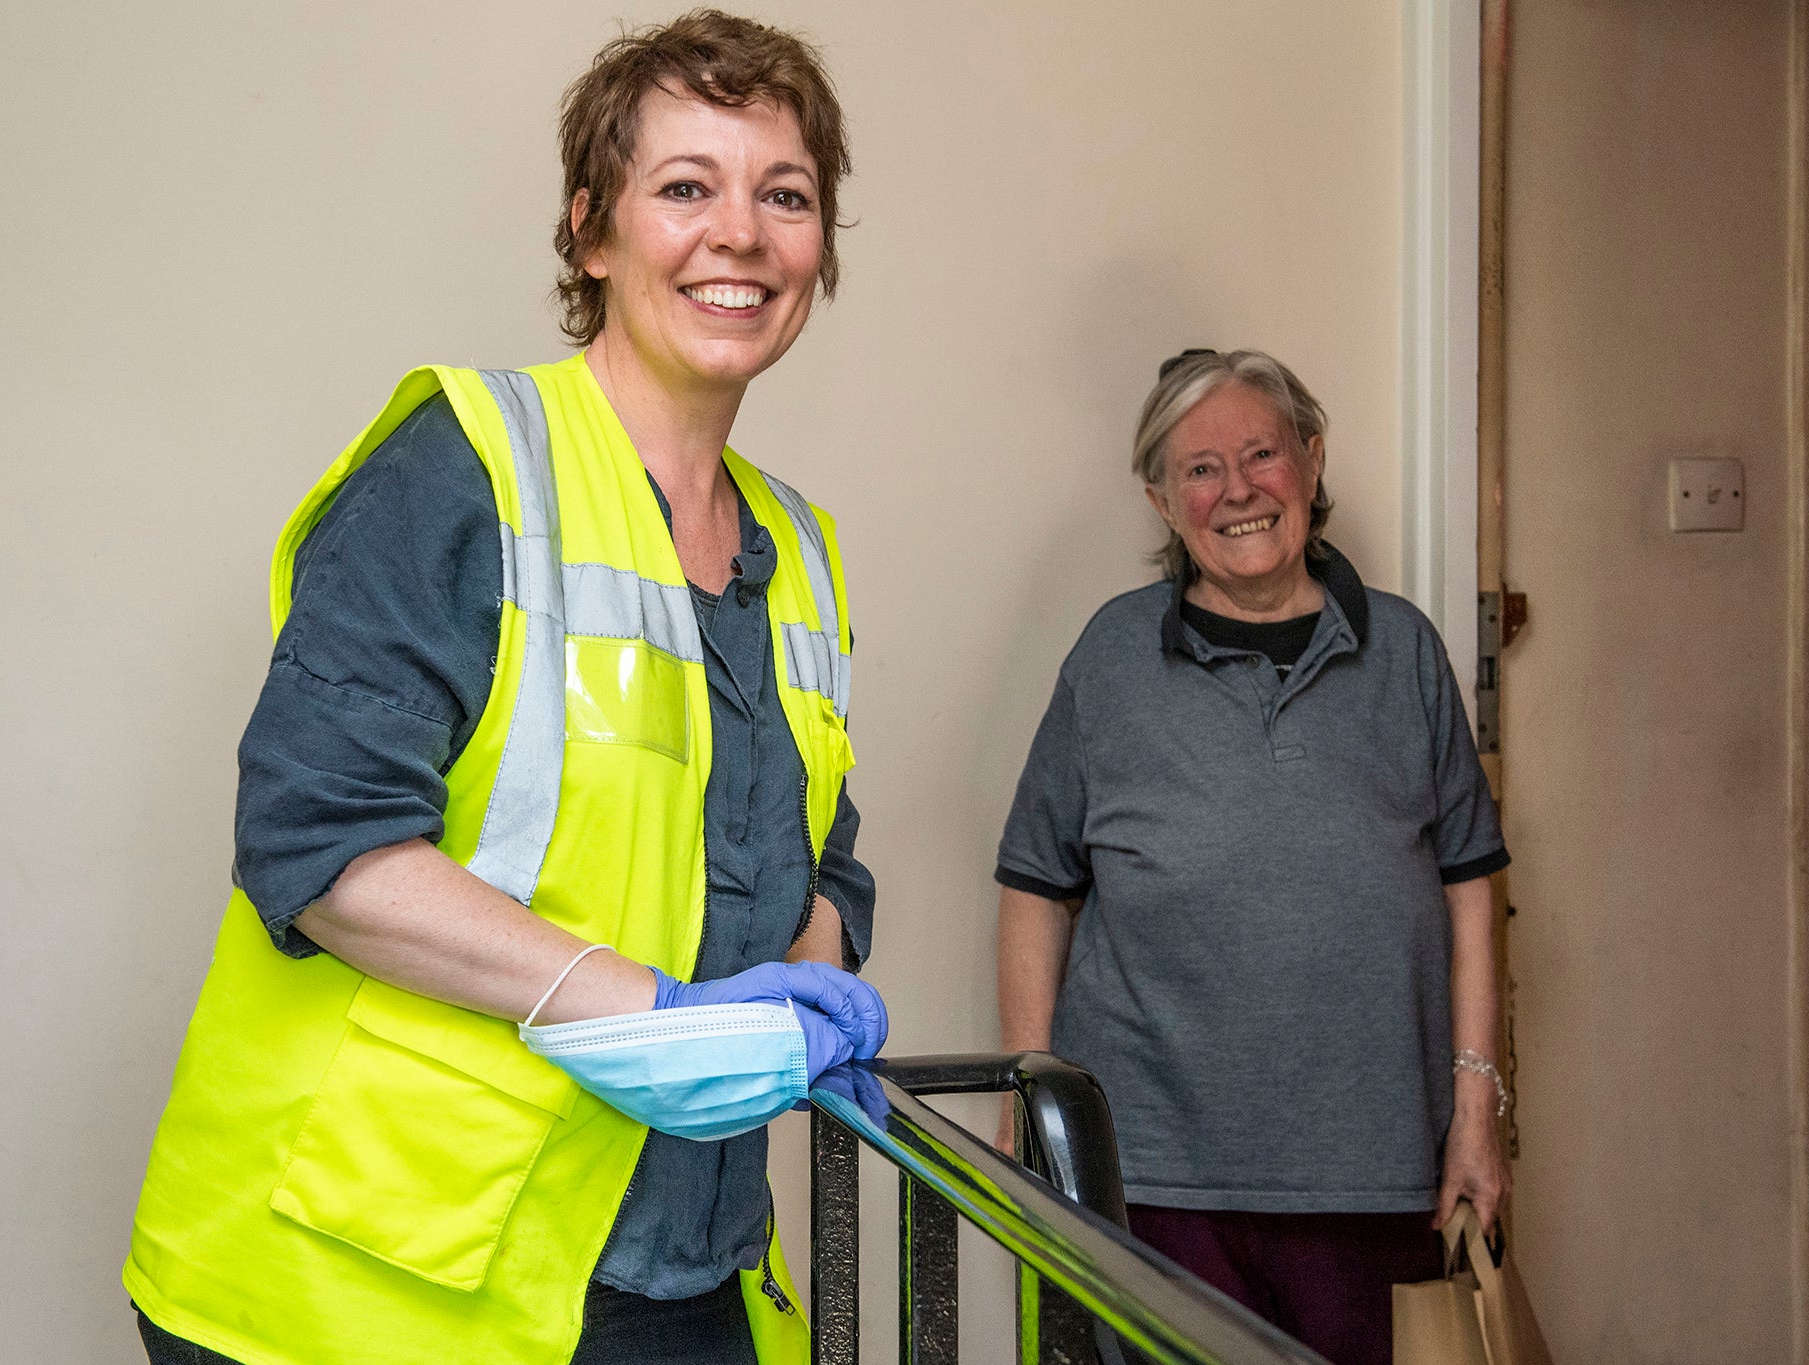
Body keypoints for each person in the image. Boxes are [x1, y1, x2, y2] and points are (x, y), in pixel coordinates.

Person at [124, 13, 883, 1365]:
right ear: (593, 232)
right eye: (686, 187)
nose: (743, 234)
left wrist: (797, 993)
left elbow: (813, 856)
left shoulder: (801, 552)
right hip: (370, 1290)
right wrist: (653, 1012)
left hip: (679, 1277)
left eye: (787, 196)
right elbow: (319, 843)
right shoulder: (465, 463)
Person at [993, 349, 1511, 1365]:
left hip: (1366, 1168)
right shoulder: (1109, 655)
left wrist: (1475, 1108)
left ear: (1311, 463)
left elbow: (1467, 891)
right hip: (1147, 1170)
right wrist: (1033, 1102)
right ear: (1159, 499)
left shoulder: (1403, 653)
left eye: (1260, 453)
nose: (1234, 489)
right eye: (1197, 468)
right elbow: (1031, 889)